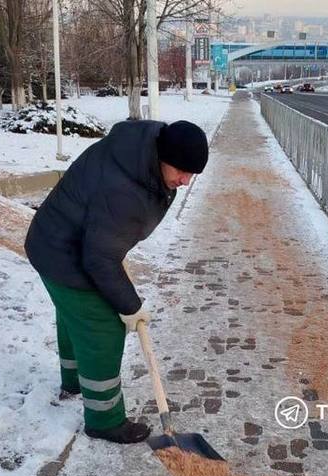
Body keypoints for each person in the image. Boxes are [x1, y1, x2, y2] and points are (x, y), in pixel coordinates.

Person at [25, 119, 209, 444]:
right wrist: (130, 306)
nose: (185, 180)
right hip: (64, 253)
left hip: (53, 239)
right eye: (181, 170)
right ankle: (104, 419)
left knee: (73, 315)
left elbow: (104, 238)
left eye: (192, 174)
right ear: (162, 155)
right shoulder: (125, 189)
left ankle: (74, 381)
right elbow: (98, 259)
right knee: (102, 327)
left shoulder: (136, 150)